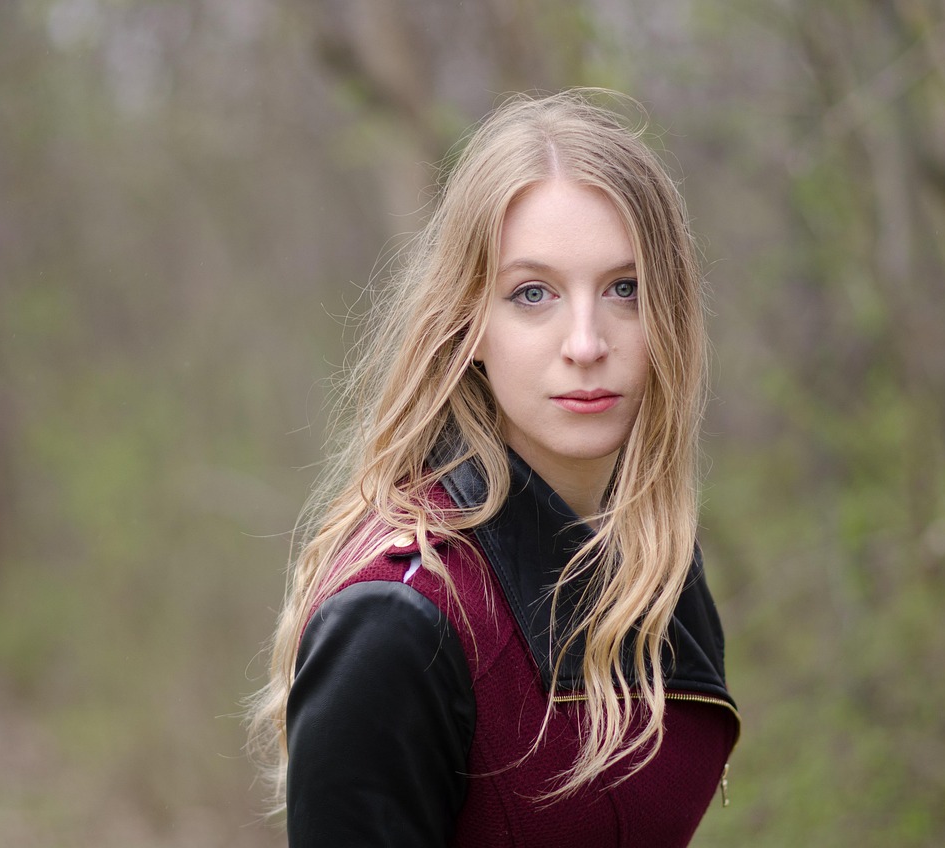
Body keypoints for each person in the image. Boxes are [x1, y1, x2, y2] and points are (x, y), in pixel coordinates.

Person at [248, 89, 739, 847]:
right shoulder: (398, 620)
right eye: (533, 294)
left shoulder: (655, 554)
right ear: (471, 321)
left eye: (625, 288)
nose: (586, 343)